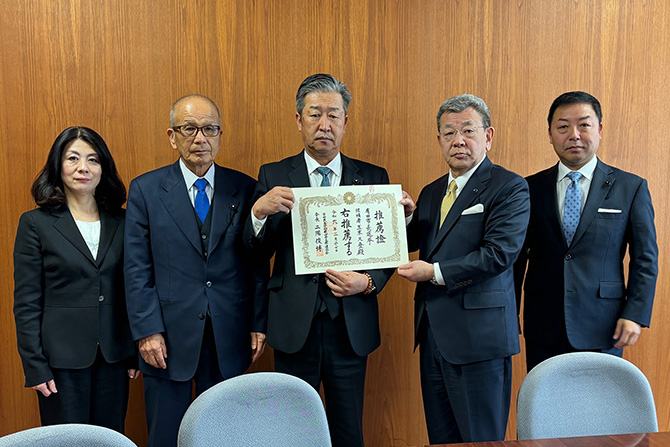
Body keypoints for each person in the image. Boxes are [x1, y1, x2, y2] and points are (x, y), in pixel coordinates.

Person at [244, 74, 396, 447]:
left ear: (346, 121)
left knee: (349, 429)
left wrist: (368, 281)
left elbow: (386, 248)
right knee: (293, 431)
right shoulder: (274, 174)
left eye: (333, 115)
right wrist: (258, 215)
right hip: (295, 323)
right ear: (299, 120)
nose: (324, 125)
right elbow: (255, 255)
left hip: (351, 323)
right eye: (315, 115)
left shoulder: (373, 178)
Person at [124, 94, 268, 447]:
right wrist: (147, 331)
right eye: (189, 129)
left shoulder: (246, 188)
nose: (200, 138)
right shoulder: (145, 189)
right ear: (172, 136)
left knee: (223, 434)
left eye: (209, 129)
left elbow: (257, 264)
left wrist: (257, 323)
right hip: (167, 339)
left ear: (220, 135)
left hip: (229, 334)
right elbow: (136, 267)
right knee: (165, 435)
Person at [397, 94, 529, 444]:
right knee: (442, 439)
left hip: (479, 342)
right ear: (438, 139)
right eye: (448, 132)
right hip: (433, 338)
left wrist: (433, 272)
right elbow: (416, 239)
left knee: (481, 439)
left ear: (488, 136)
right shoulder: (431, 192)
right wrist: (408, 214)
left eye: (468, 130)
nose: (458, 140)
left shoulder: (509, 187)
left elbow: (499, 254)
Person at [514, 91, 658, 372]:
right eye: (563, 126)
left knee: (599, 411)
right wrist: (510, 312)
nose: (574, 135)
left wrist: (636, 314)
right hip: (543, 322)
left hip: (605, 324)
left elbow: (645, 259)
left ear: (600, 130)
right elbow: (515, 259)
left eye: (584, 125)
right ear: (550, 133)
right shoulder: (528, 189)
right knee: (546, 410)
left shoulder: (631, 188)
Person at [13, 126, 137, 432]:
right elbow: (27, 302)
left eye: (93, 160)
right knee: (67, 440)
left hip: (114, 356)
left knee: (109, 438)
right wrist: (35, 366)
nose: (84, 167)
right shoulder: (35, 223)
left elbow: (133, 289)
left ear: (103, 168)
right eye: (73, 159)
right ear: (58, 165)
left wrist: (135, 351)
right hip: (60, 362)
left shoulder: (123, 220)